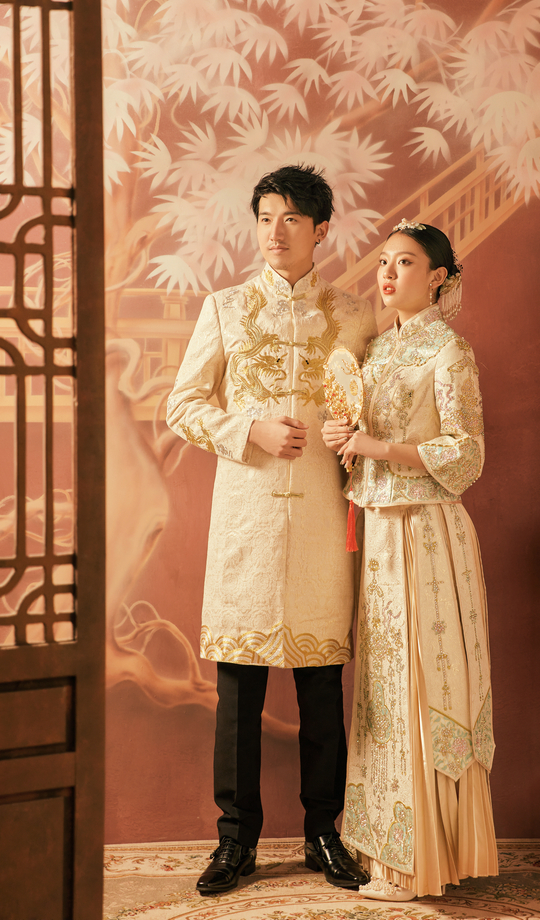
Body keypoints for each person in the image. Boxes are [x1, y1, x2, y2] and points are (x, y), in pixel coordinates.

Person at [166, 165, 376, 896]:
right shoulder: (224, 308)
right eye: (265, 218)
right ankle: (235, 840)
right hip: (247, 521)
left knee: (322, 690)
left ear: (321, 230)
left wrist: (356, 435)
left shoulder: (356, 315)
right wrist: (247, 429)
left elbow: (376, 412)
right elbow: (182, 405)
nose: (275, 232)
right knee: (238, 696)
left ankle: (324, 833)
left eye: (290, 219)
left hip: (321, 521)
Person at [322, 218, 498, 902]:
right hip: (380, 535)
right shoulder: (377, 350)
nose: (388, 274)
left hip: (426, 533)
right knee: (383, 688)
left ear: (438, 278)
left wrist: (376, 448)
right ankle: (385, 853)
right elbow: (365, 438)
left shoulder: (449, 352)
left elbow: (467, 453)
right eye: (384, 262)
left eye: (406, 263)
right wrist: (345, 438)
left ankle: (419, 863)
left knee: (421, 685)